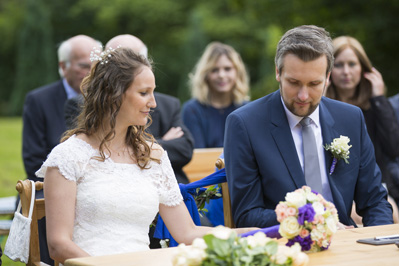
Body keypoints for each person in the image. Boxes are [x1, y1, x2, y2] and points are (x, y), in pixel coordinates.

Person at [37, 48, 255, 263]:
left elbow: (187, 232)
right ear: (113, 95)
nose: (153, 103)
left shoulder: (153, 155)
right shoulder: (68, 156)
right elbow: (58, 245)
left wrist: (248, 234)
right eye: (144, 93)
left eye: (153, 92)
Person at [224, 25, 393, 229]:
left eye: (314, 84)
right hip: (281, 248)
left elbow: (375, 202)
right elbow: (247, 214)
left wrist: (378, 245)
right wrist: (315, 221)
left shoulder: (351, 118)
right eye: (294, 82)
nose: (303, 96)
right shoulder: (244, 124)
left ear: (328, 77)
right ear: (278, 72)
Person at [64, 34, 194, 184]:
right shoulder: (80, 106)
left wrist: (144, 148)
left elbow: (185, 149)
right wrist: (157, 143)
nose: (153, 103)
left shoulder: (169, 105)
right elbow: (89, 147)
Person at [22, 34, 99, 265]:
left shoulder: (109, 101)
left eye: (95, 66)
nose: (90, 72)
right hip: (51, 184)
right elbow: (34, 159)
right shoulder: (39, 100)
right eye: (84, 65)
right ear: (63, 66)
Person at [326, 36, 399, 211]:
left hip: (376, 185)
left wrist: (379, 99)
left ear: (363, 69)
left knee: (390, 209)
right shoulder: (322, 108)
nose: (346, 71)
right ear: (328, 70)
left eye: (352, 64)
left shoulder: (375, 106)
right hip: (334, 188)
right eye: (338, 65)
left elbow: (393, 148)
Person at [182, 42, 250, 148]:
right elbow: (198, 157)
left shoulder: (248, 110)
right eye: (214, 70)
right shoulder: (192, 110)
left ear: (238, 72)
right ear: (205, 75)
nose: (222, 75)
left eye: (227, 69)